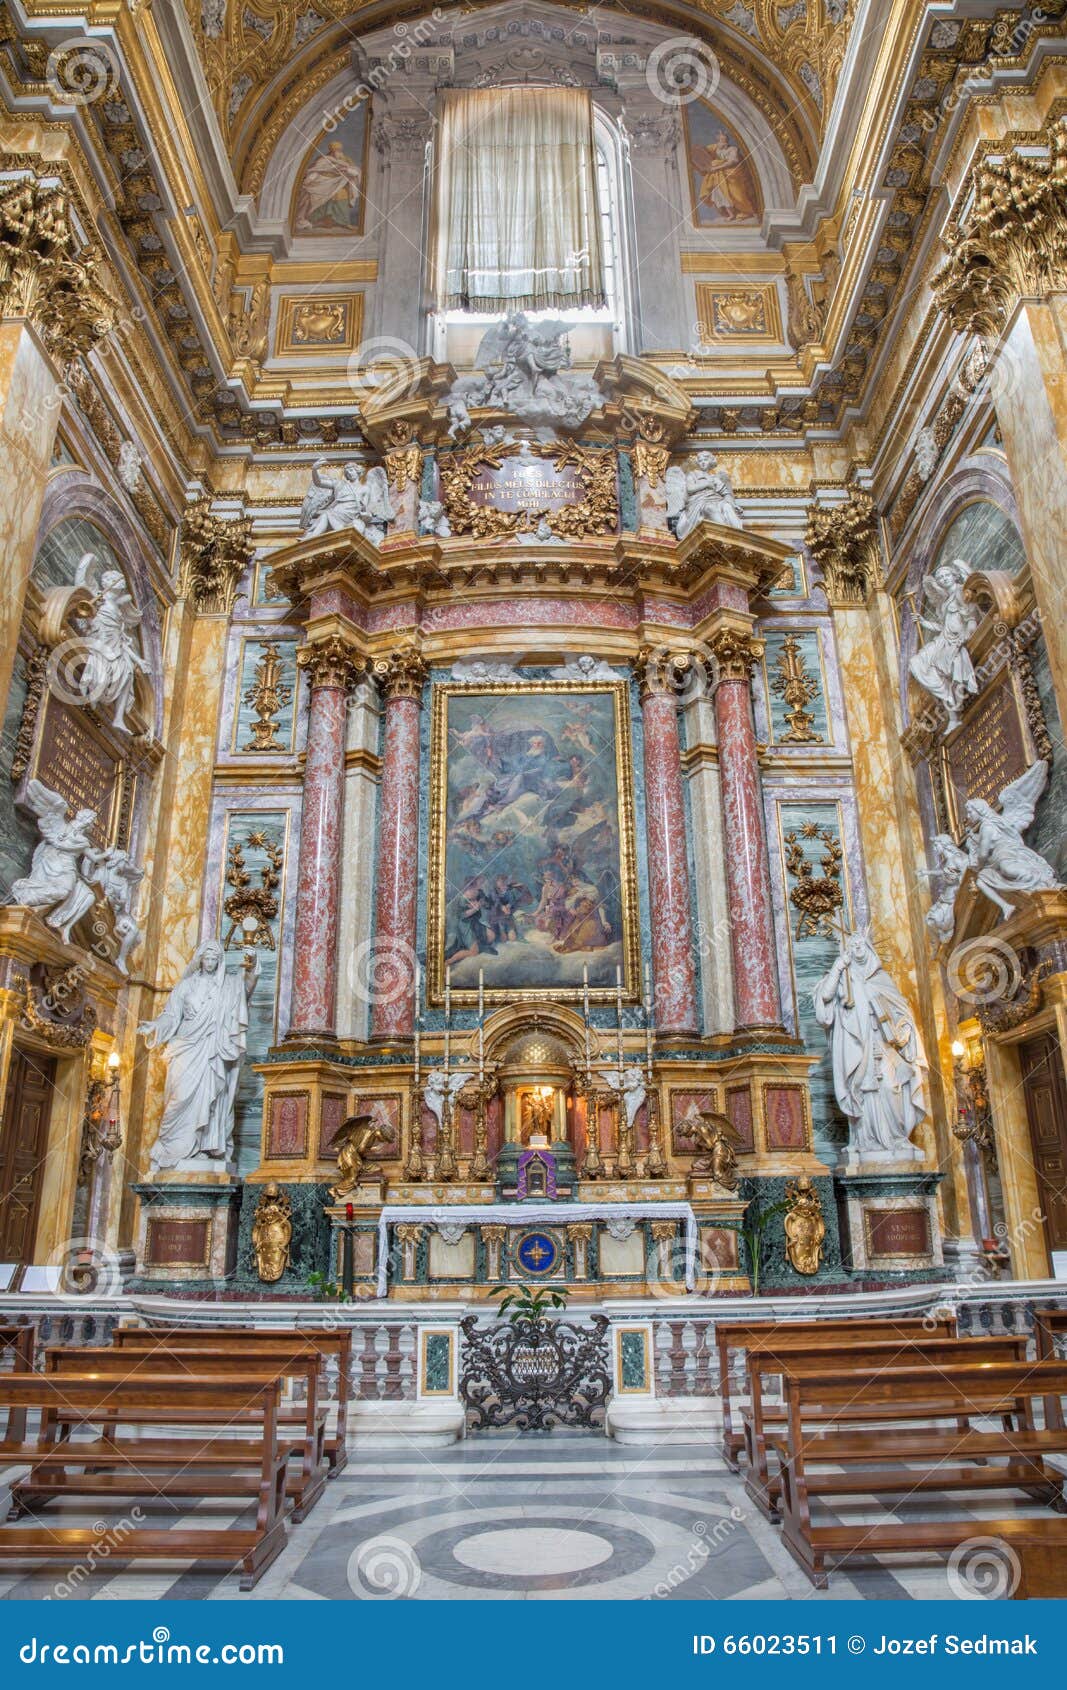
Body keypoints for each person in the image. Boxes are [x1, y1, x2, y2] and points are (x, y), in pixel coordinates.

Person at [139, 940, 259, 1170]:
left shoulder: (228, 986)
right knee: (179, 1097)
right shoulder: (185, 987)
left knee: (211, 1099)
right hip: (186, 1046)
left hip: (212, 1051)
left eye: (216, 959)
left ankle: (203, 1147)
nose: (211, 962)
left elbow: (247, 987)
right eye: (208, 957)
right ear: (200, 959)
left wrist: (251, 964)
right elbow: (172, 1016)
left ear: (220, 961)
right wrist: (154, 1026)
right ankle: (169, 1149)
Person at [813, 930, 927, 1160]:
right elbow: (824, 999)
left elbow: (902, 1012)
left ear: (870, 949)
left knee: (891, 1089)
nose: (857, 949)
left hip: (883, 1046)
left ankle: (896, 1138)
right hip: (858, 1048)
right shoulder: (844, 977)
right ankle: (865, 1142)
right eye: (852, 946)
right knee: (861, 1093)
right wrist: (837, 967)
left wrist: (903, 1029)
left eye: (861, 944)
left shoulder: (881, 979)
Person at [295, 138, 363, 231]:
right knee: (315, 194)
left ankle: (344, 222)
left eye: (339, 150)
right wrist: (310, 180)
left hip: (340, 184)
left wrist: (347, 170)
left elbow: (355, 171)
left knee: (341, 194)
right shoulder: (323, 159)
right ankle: (321, 220)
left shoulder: (346, 160)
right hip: (324, 183)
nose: (337, 153)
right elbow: (316, 170)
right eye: (335, 151)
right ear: (331, 151)